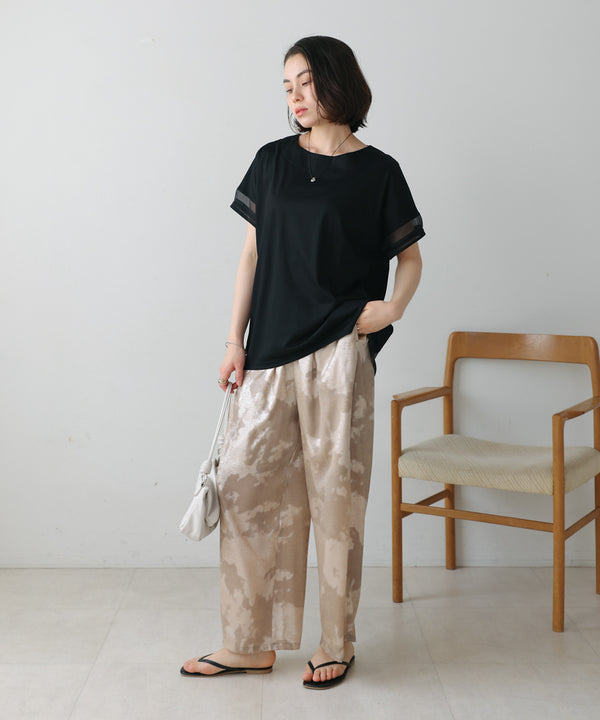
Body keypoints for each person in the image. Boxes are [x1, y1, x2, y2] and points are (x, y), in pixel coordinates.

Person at [181, 35, 424, 689]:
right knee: (244, 487)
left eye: (305, 82)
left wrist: (391, 309)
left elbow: (410, 257)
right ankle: (247, 643)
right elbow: (252, 254)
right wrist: (234, 341)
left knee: (336, 499)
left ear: (337, 82)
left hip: (341, 351)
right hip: (268, 350)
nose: (293, 96)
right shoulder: (272, 161)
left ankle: (336, 642)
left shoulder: (379, 172)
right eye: (286, 86)